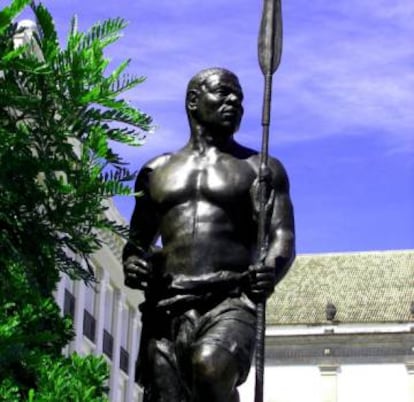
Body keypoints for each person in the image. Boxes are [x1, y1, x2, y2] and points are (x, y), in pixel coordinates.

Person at [122, 67, 295, 402]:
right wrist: (133, 263)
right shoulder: (155, 171)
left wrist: (270, 270)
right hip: (167, 305)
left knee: (210, 367)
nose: (235, 102)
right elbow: (136, 243)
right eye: (224, 92)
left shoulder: (260, 168)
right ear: (193, 101)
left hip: (229, 300)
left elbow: (282, 237)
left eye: (240, 98)